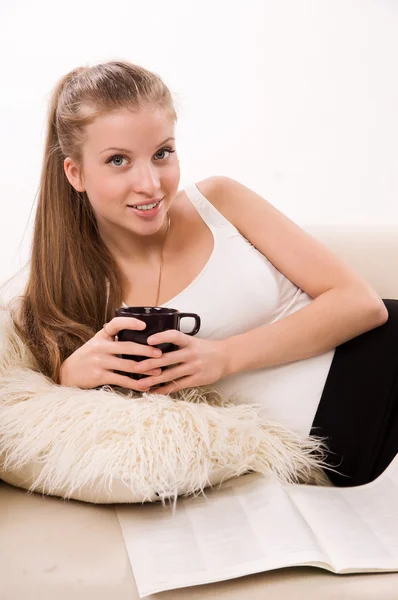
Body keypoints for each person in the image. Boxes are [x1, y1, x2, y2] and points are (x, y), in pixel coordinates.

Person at [2, 59, 396, 489]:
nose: (150, 184)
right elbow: (58, 420)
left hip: (378, 371)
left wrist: (223, 357)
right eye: (118, 160)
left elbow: (361, 303)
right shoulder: (65, 292)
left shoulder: (219, 202)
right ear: (75, 173)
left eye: (162, 153)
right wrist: (69, 379)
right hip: (332, 452)